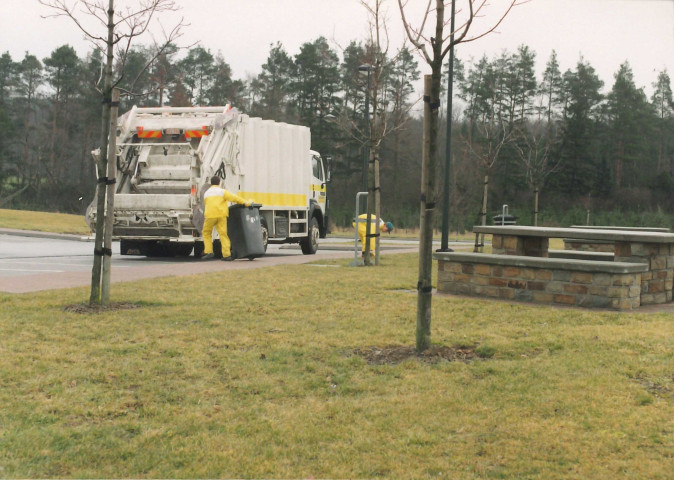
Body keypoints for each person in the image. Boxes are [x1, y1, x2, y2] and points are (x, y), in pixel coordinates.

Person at [201, 175, 254, 261]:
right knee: (223, 234)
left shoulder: (206, 193)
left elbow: (206, 204)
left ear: (211, 183)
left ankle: (209, 252)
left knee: (206, 232)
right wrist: (246, 202)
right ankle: (226, 255)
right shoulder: (222, 192)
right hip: (221, 215)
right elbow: (234, 198)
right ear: (219, 182)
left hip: (210, 216)